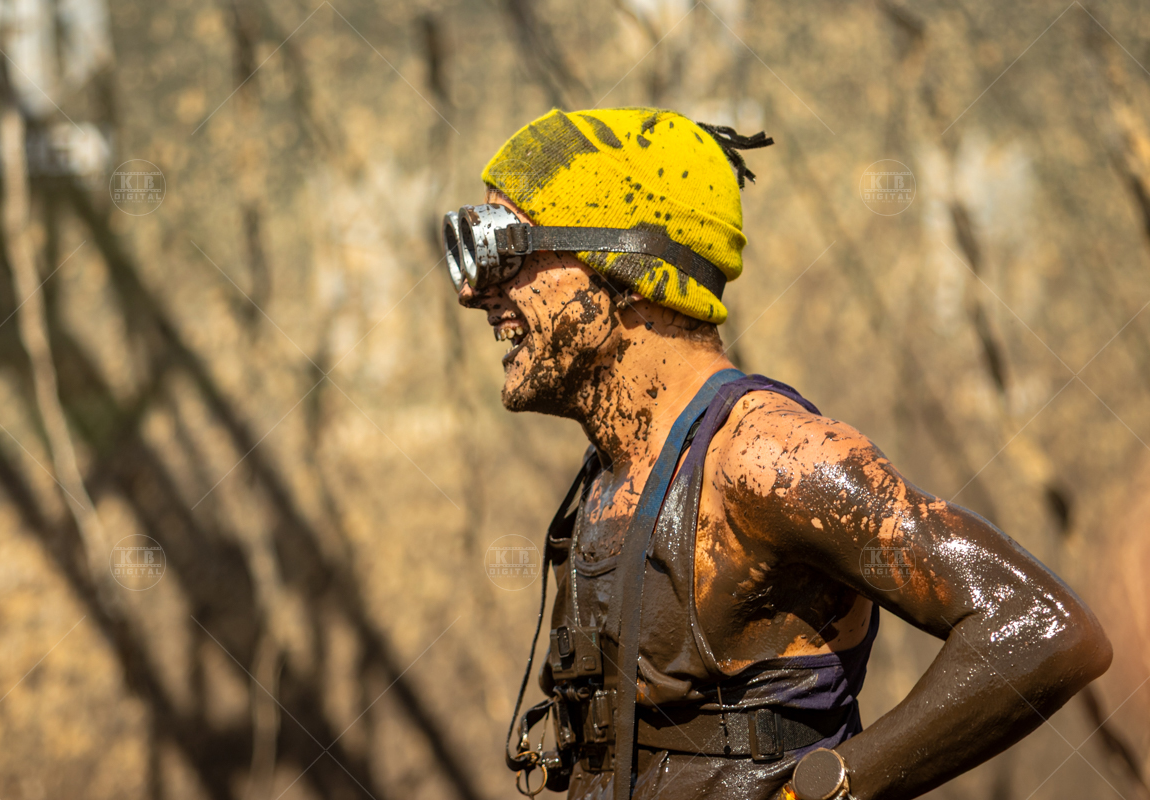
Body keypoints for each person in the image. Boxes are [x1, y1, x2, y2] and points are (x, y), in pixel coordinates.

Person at [445, 107, 1112, 800]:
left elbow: (1045, 629)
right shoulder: (609, 477)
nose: (475, 291)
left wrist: (828, 788)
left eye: (503, 249)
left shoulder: (766, 455)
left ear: (621, 263)